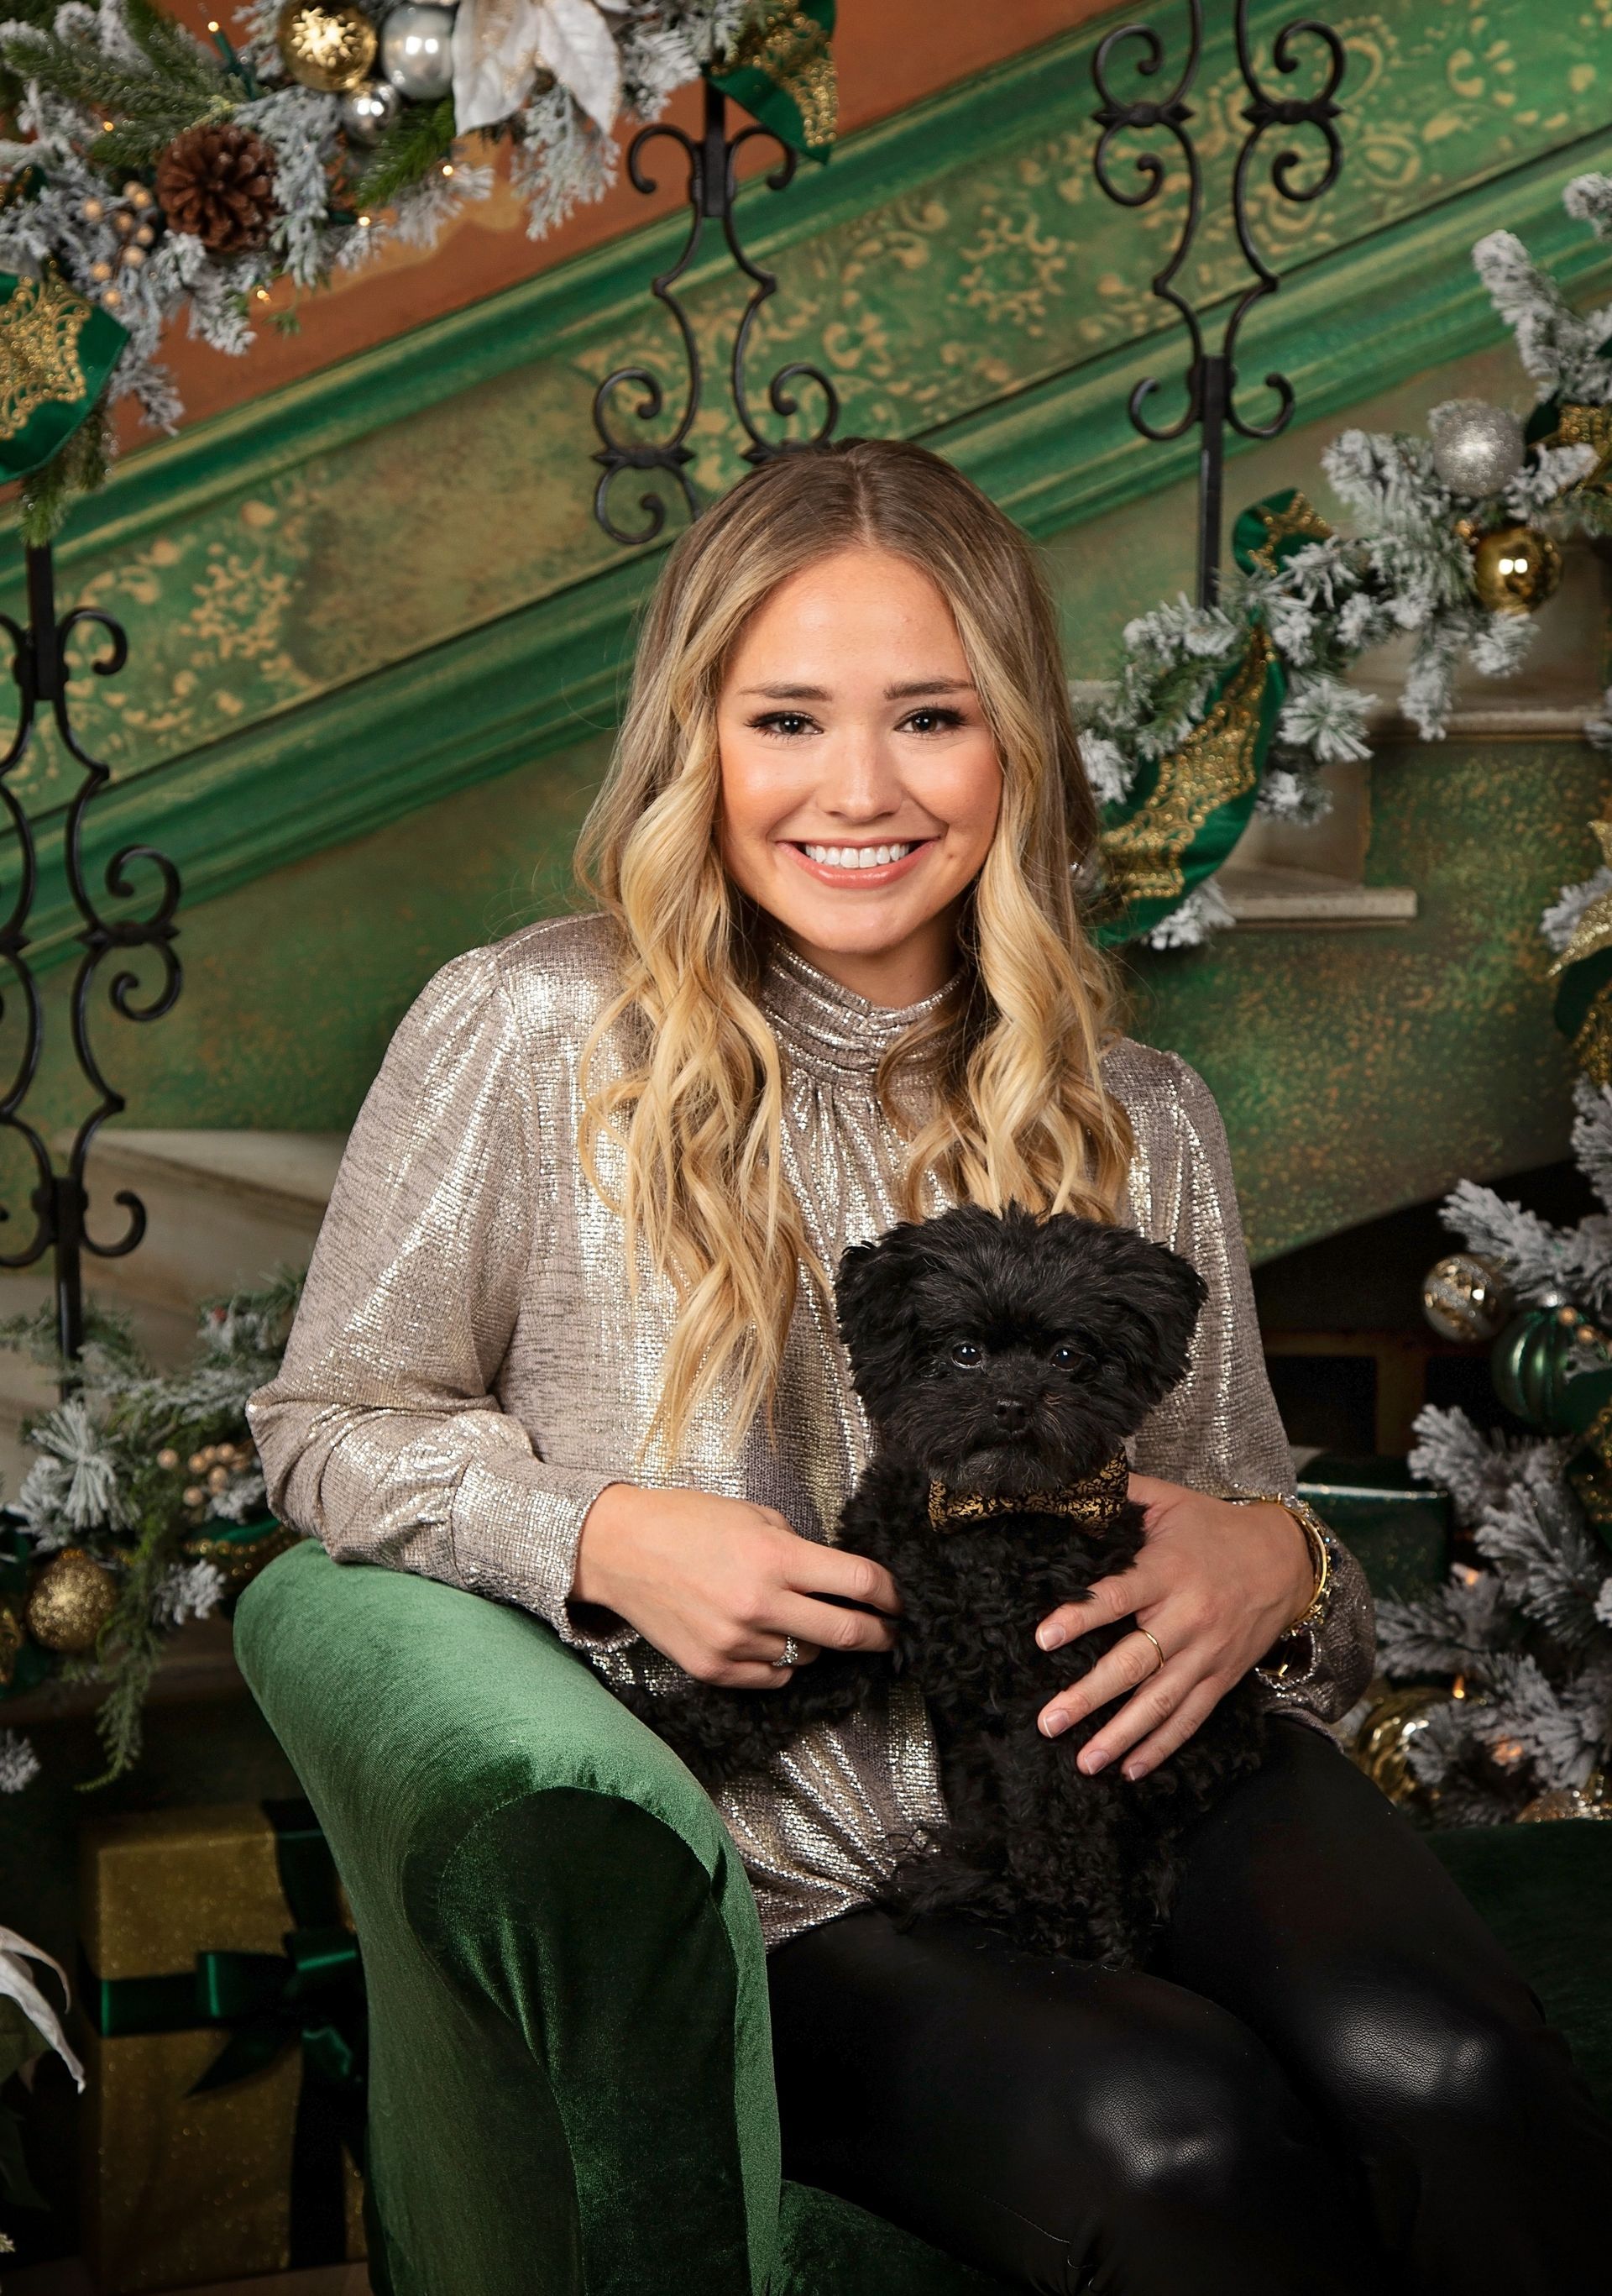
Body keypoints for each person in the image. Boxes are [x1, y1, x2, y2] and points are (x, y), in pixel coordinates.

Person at [248, 436, 1611, 2295]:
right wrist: (599, 1532)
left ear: (1018, 747)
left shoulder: (1140, 1105)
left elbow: (1259, 1518)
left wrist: (1275, 1562)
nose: (861, 790)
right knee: (1173, 2130)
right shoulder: (535, 1024)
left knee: (1442, 2064)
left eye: (933, 719)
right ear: (696, 740)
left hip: (1158, 1777)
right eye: (789, 718)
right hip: (796, 1858)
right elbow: (326, 1425)